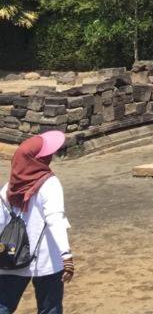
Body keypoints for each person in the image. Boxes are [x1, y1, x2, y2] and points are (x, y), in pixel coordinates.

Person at [0, 131, 74, 314]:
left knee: (3, 305)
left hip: (12, 255)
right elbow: (54, 219)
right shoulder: (50, 184)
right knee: (50, 308)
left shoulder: (9, 187)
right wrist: (66, 256)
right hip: (46, 259)